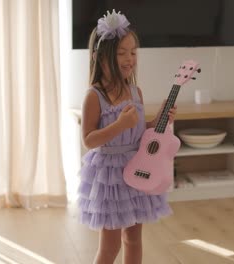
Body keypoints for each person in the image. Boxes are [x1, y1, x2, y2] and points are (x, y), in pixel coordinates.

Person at [78, 10, 177, 264]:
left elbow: (143, 132)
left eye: (133, 52)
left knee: (133, 239)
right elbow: (88, 140)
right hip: (110, 176)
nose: (129, 58)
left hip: (137, 168)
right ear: (101, 57)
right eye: (122, 52)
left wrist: (161, 119)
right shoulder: (94, 96)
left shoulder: (135, 92)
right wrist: (120, 125)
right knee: (110, 246)